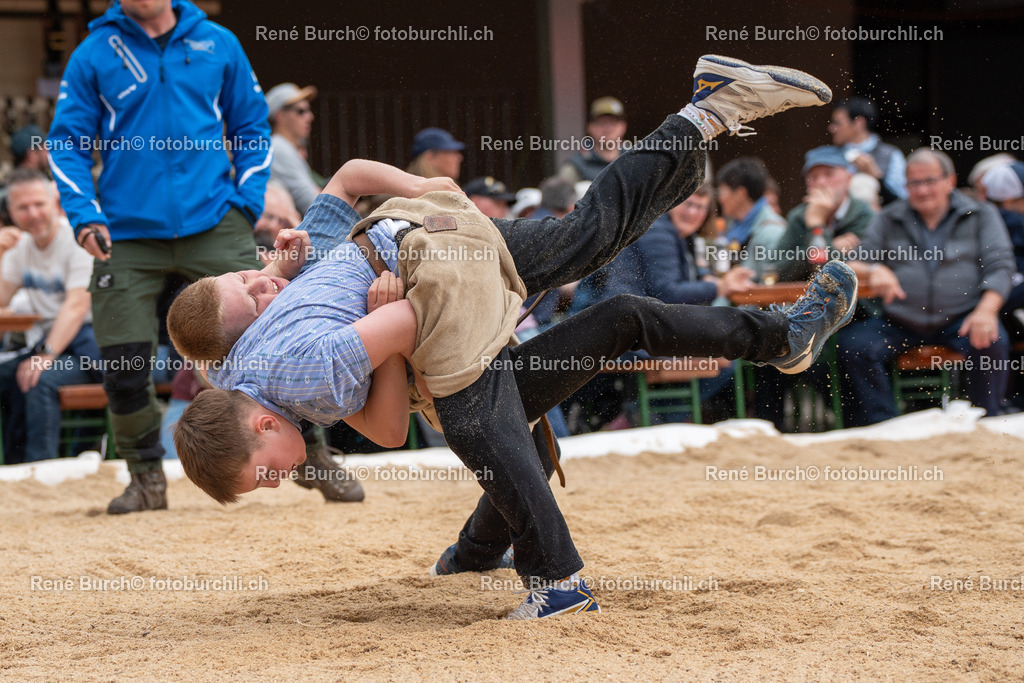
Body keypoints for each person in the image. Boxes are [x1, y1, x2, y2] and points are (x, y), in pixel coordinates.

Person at [169, 55, 846, 619]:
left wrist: (390, 322)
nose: (277, 481)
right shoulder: (254, 359)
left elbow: (394, 376)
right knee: (601, 278)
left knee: (468, 412)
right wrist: (418, 195)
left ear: (260, 421)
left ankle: (557, 579)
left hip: (424, 272)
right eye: (254, 294)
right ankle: (710, 134)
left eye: (264, 474)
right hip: (431, 233)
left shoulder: (294, 371)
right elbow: (344, 191)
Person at [46, 0, 348, 513]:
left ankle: (311, 452)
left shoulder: (218, 43)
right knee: (123, 358)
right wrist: (83, 215)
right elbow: (66, 141)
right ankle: (145, 478)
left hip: (213, 219)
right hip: (124, 232)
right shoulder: (94, 52)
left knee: (273, 329)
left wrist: (246, 202)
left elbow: (252, 127)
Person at [838, 149, 1016, 425]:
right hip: (900, 322)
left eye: (929, 181)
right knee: (853, 345)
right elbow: (852, 263)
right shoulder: (889, 217)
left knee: (992, 341)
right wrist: (875, 269)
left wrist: (986, 311)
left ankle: (986, 423)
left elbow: (1001, 266)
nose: (922, 190)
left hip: (962, 319)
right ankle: (883, 427)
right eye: (913, 183)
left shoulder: (981, 214)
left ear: (950, 180)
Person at [0, 169, 102, 462]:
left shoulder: (77, 240)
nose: (33, 214)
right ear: (11, 212)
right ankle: (12, 466)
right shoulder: (20, 247)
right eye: (23, 207)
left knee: (38, 379)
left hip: (89, 348)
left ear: (54, 202)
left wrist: (45, 354)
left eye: (38, 204)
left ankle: (41, 468)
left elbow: (76, 307)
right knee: (7, 376)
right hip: (50, 345)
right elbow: (2, 299)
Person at [773, 146, 876, 283]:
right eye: (814, 177)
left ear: (848, 179)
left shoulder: (864, 216)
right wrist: (828, 243)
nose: (821, 182)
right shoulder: (799, 216)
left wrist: (817, 226)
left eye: (829, 174)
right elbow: (778, 271)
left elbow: (841, 274)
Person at [714, 157, 785, 279]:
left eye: (722, 192)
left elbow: (766, 291)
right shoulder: (736, 226)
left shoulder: (771, 232)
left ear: (741, 194)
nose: (720, 199)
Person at [828, 97, 907, 204]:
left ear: (859, 123)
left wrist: (876, 177)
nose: (831, 128)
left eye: (837, 123)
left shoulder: (891, 154)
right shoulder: (826, 156)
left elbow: (902, 202)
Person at [266, 82, 322, 215]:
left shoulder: (287, 148)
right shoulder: (278, 147)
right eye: (301, 111)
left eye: (308, 110)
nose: (310, 117)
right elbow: (312, 203)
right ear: (280, 116)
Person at [558, 97, 628, 184]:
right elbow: (562, 196)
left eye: (613, 122)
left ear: (623, 127)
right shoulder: (576, 166)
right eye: (601, 123)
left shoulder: (634, 160)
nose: (607, 128)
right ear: (590, 127)